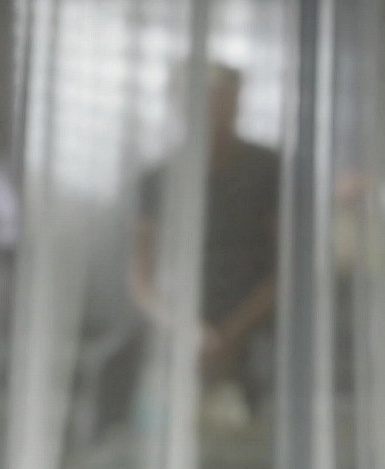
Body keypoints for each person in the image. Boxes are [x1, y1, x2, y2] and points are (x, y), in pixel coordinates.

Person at [131, 63, 280, 415]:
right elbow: (140, 282)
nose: (217, 113)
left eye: (226, 102)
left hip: (256, 323)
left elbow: (286, 269)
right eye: (207, 103)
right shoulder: (157, 179)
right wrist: (186, 330)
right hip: (177, 321)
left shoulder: (270, 170)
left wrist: (231, 335)